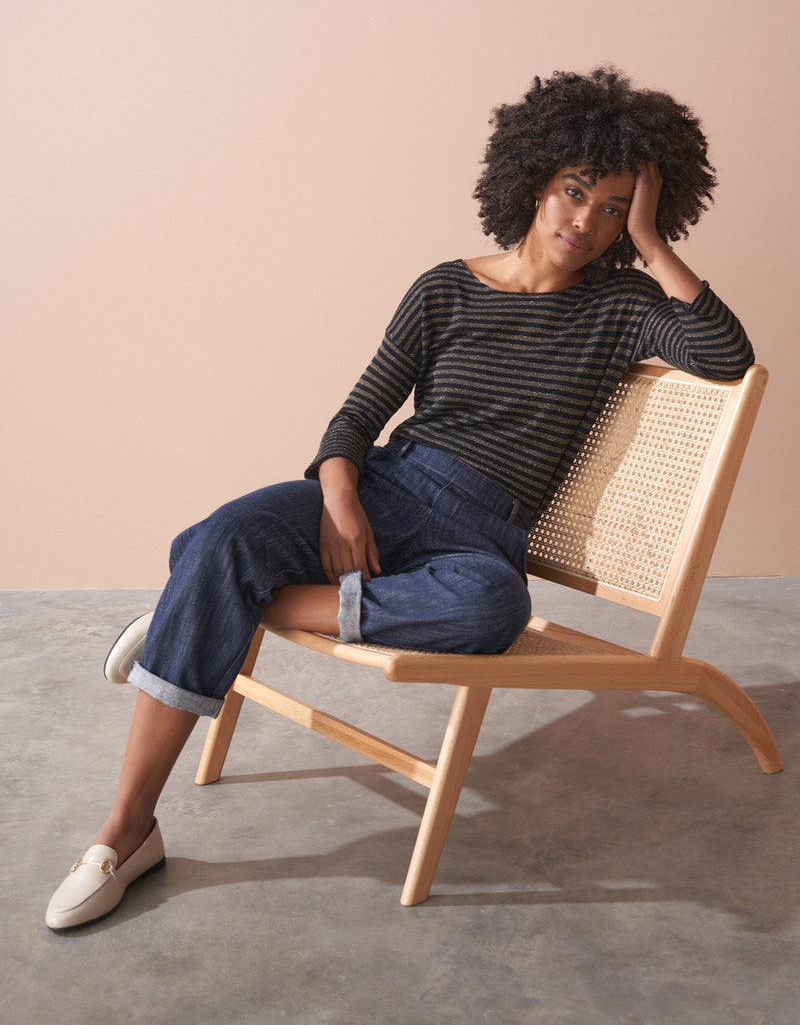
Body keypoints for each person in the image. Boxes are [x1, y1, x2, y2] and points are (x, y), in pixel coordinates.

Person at [46, 67, 754, 930]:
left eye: (614, 208)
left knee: (492, 606)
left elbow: (723, 353)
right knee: (223, 535)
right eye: (577, 192)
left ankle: (191, 614)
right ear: (533, 179)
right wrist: (341, 494)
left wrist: (650, 241)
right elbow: (355, 417)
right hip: (382, 488)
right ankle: (126, 834)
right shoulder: (445, 288)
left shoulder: (624, 303)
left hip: (480, 532)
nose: (587, 221)